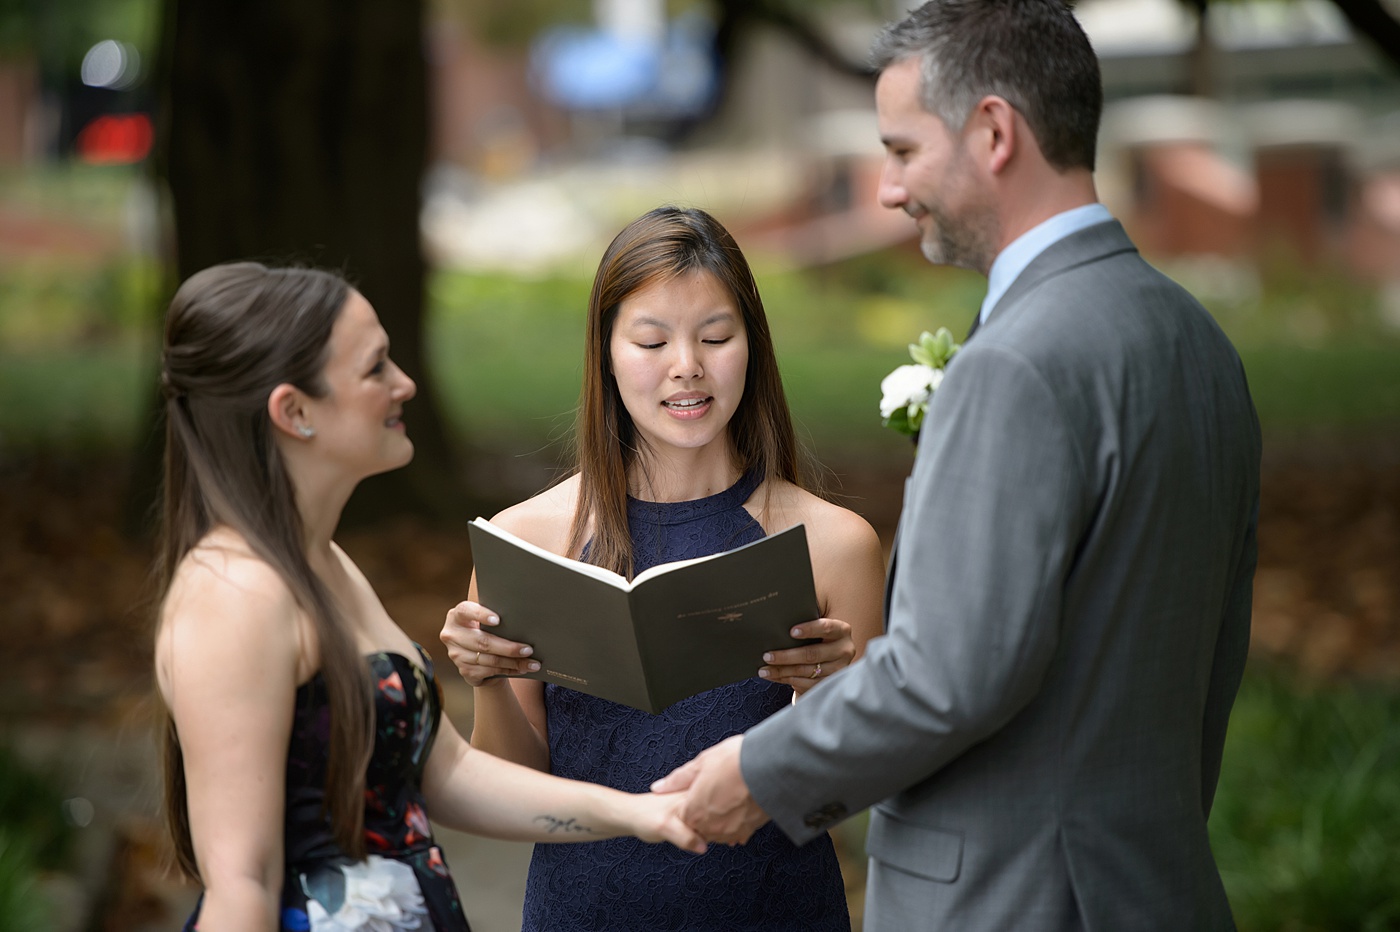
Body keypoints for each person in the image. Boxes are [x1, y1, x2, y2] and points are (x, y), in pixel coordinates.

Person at [654, 3, 1263, 930]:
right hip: (1152, 886)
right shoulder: (1196, 339)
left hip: (1014, 899)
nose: (891, 190)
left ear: (992, 132)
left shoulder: (1017, 363)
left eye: (901, 150)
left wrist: (758, 770)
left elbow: (950, 674)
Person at [152, 261, 705, 932]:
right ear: (294, 411)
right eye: (376, 367)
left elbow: (448, 774)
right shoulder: (234, 594)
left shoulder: (321, 563)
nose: (405, 384)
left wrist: (640, 813)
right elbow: (243, 882)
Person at [438, 205, 886, 931]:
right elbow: (516, 796)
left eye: (716, 336)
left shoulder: (832, 544)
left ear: (753, 346)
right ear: (607, 353)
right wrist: (489, 681)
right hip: (580, 913)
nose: (688, 366)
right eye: (651, 340)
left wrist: (832, 697)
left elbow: (852, 799)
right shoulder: (526, 540)